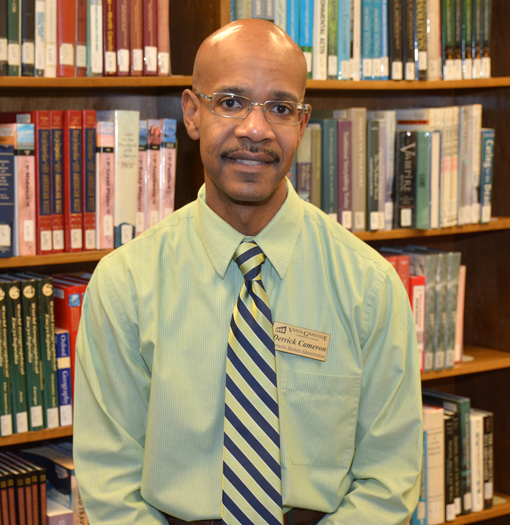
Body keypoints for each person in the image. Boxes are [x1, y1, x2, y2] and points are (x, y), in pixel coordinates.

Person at [74, 18, 423, 525]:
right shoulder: (123, 283)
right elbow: (110, 483)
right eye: (231, 102)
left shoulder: (369, 285)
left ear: (302, 124)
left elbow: (390, 481)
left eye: (279, 108)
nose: (254, 130)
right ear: (192, 113)